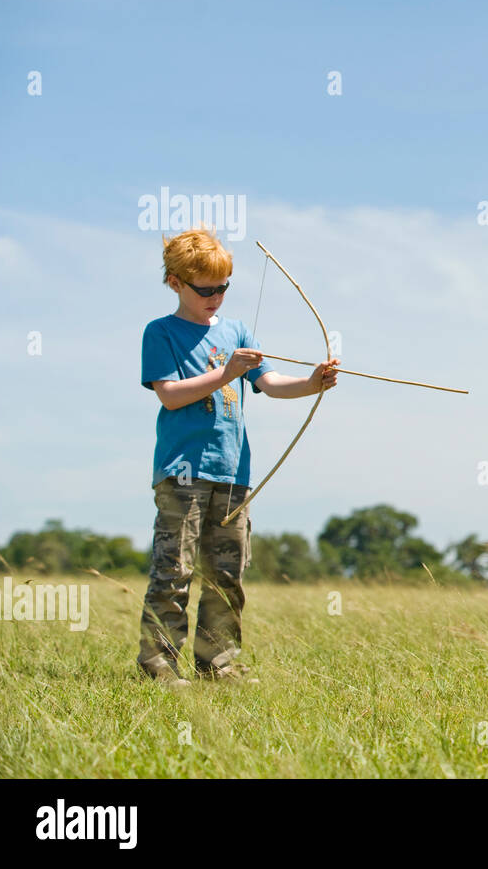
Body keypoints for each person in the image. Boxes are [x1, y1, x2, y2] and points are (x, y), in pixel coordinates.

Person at [138, 228, 339, 685]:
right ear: (175, 283)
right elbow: (170, 396)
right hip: (183, 474)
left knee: (226, 575)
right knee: (175, 571)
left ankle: (218, 664)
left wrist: (312, 383)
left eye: (223, 287)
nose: (216, 297)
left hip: (233, 475)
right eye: (204, 289)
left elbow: (268, 383)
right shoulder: (161, 332)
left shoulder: (236, 331)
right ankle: (158, 666)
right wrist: (227, 371)